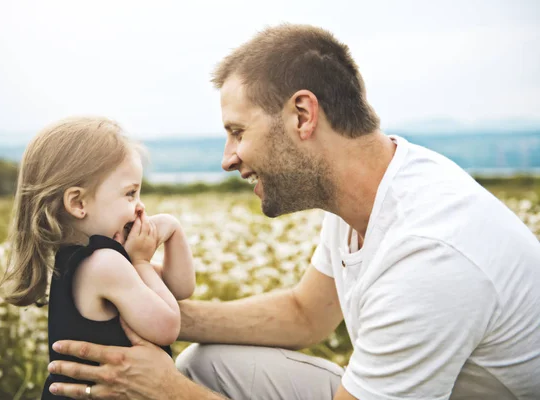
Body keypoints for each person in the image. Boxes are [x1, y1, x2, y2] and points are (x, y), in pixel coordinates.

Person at [46, 24, 540, 400]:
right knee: (207, 362)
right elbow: (306, 316)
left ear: (302, 115)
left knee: (181, 381)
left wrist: (170, 391)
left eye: (238, 132)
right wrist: (134, 311)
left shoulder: (431, 254)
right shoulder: (373, 191)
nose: (227, 158)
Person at [0, 117, 195, 399]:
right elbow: (167, 327)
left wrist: (173, 231)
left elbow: (179, 288)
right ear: (78, 203)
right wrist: (140, 262)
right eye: (130, 194)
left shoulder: (79, 260)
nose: (140, 207)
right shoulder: (104, 265)